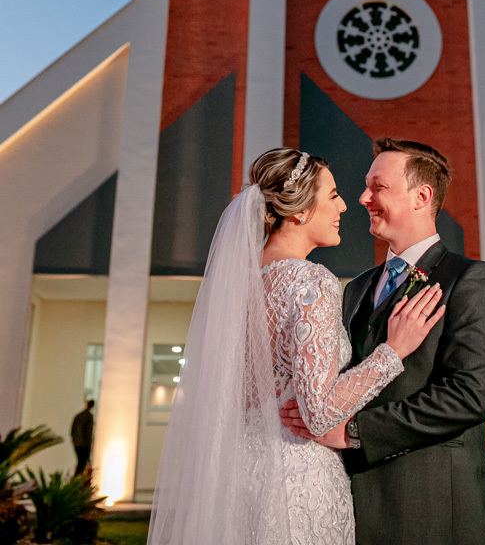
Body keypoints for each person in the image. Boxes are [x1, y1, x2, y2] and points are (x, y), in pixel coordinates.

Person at [147, 148, 444, 545]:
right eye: (333, 194)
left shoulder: (238, 285)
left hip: (239, 476)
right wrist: (393, 352)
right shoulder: (310, 283)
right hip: (296, 480)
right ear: (299, 212)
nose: (344, 205)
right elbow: (318, 413)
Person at [281, 138, 485, 545]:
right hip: (356, 505)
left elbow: (470, 395)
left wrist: (355, 432)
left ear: (422, 196)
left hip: (435, 505)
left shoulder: (471, 279)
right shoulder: (356, 288)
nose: (364, 197)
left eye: (378, 187)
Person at [70, 399, 94, 476]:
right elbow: (88, 432)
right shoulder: (89, 416)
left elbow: (73, 430)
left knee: (81, 462)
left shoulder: (78, 416)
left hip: (77, 442)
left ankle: (76, 480)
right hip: (83, 444)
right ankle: (77, 481)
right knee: (83, 463)